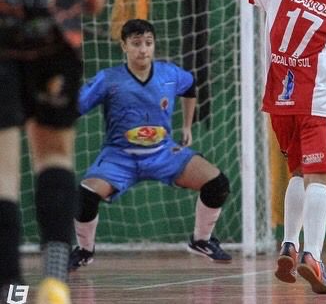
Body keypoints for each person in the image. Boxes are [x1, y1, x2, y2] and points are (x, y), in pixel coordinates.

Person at [153, 0, 326, 294]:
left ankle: (290, 244)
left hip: (280, 102)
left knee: (297, 171)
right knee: (319, 178)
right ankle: (313, 257)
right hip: (318, 105)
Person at [0, 0, 107, 304]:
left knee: (4, 175)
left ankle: (10, 290)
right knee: (54, 156)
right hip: (51, 32)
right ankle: (55, 281)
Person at [68, 18, 232, 272]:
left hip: (163, 152)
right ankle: (85, 250)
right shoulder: (109, 79)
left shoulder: (170, 74)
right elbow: (75, 107)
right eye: (136, 44)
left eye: (148, 43)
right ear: (124, 46)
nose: (143, 49)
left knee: (217, 183)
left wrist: (187, 126)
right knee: (85, 194)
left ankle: (201, 240)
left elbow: (190, 87)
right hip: (120, 156)